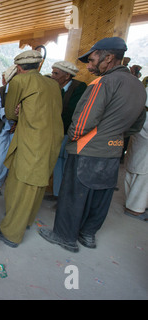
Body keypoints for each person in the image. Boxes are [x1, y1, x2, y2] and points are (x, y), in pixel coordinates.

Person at [39, 37, 147, 252]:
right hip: (114, 149)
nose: (88, 66)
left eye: (92, 60)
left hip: (87, 149)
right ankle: (87, 235)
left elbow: (84, 119)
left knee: (73, 195)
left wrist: (72, 136)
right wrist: (115, 136)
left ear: (108, 58)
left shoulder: (103, 82)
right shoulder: (137, 85)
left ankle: (64, 236)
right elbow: (137, 123)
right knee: (100, 197)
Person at [0, 50, 64, 248]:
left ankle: (11, 233)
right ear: (38, 66)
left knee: (20, 184)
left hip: (31, 140)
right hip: (52, 140)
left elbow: (11, 111)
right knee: (37, 184)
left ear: (19, 68)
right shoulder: (53, 84)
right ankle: (26, 221)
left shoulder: (20, 82)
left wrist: (19, 114)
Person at [46, 61, 87, 201]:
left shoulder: (79, 88)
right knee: (57, 162)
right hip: (56, 132)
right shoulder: (54, 87)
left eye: (56, 73)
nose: (52, 76)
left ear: (67, 75)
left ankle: (66, 197)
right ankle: (57, 194)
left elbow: (72, 113)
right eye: (52, 72)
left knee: (67, 164)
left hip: (68, 132)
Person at [0, 65, 17, 196]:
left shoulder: (23, 92)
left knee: (15, 159)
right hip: (3, 129)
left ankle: (11, 185)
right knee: (1, 158)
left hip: (18, 130)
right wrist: (11, 112)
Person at [124, 90, 148, 222]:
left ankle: (132, 205)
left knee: (133, 174)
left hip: (138, 145)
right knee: (142, 179)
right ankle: (135, 209)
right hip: (144, 149)